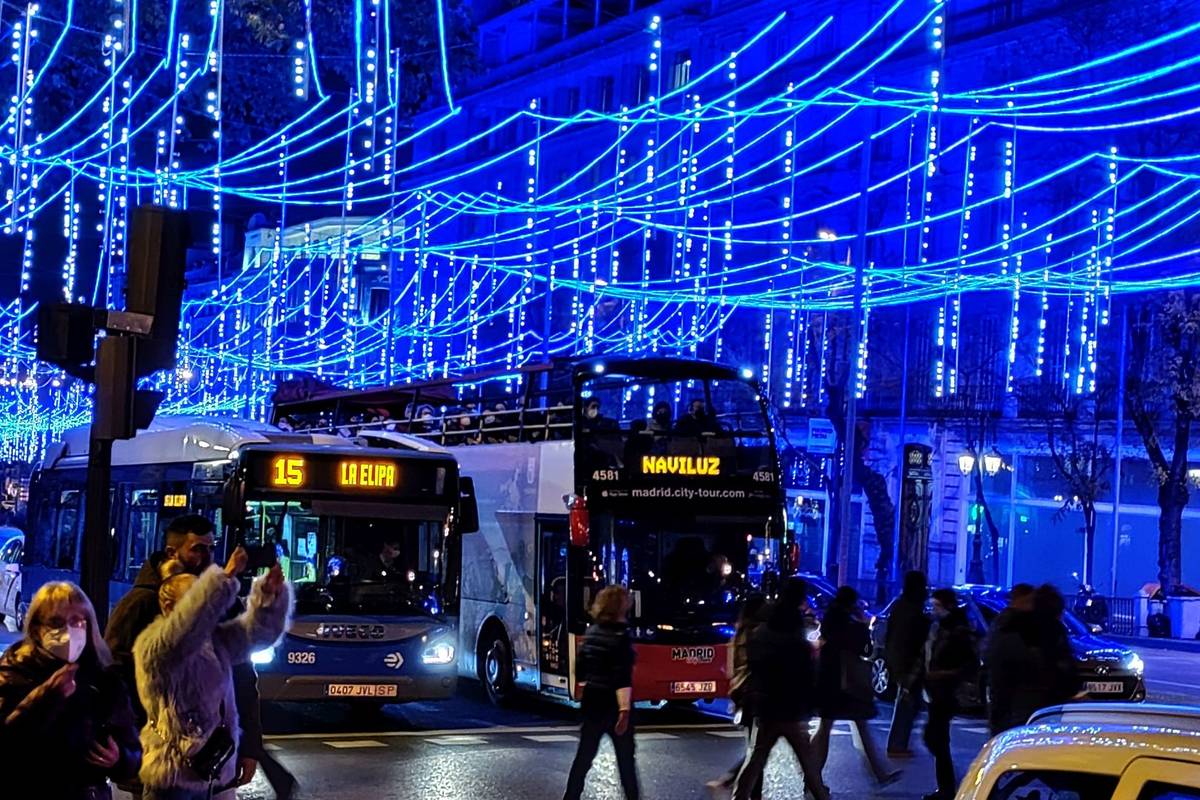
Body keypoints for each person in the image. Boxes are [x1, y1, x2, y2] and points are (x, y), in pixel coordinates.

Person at [104, 514, 276, 798]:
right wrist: (131, 743)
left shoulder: (221, 601)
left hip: (215, 755)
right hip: (164, 756)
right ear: (173, 552)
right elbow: (115, 675)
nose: (206, 556)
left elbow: (242, 675)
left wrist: (249, 746)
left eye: (210, 547)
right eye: (197, 548)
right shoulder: (142, 603)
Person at [136, 547, 291, 800]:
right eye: (194, 598)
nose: (203, 605)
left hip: (217, 771)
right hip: (173, 779)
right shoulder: (154, 646)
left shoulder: (215, 640)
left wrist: (268, 598)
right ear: (167, 606)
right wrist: (225, 577)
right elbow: (184, 630)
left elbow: (256, 636)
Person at [0, 581, 142, 799]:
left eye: (77, 621)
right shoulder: (15, 670)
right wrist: (47, 697)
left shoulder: (104, 678)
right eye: (56, 622)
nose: (68, 631)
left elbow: (132, 749)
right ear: (37, 627)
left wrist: (119, 758)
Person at [731, 578, 829, 800]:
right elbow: (805, 669)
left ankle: (739, 796)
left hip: (767, 701)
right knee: (806, 761)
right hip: (790, 704)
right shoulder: (794, 628)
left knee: (757, 756)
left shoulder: (765, 625)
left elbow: (755, 660)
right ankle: (821, 796)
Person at [814, 586, 901, 787]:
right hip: (848, 682)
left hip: (829, 679)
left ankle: (813, 776)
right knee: (859, 725)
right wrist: (862, 622)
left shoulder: (829, 619)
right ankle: (878, 774)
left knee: (826, 728)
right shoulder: (851, 624)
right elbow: (866, 648)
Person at [563, 585, 640, 800]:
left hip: (592, 700)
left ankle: (570, 797)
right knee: (626, 762)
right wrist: (624, 710)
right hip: (614, 704)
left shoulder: (592, 632)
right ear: (621, 607)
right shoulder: (621, 636)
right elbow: (622, 676)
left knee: (584, 756)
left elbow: (580, 669)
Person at [706, 594, 767, 800]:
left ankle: (743, 787)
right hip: (756, 693)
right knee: (758, 749)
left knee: (756, 747)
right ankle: (733, 783)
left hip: (743, 694)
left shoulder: (739, 633)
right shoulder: (757, 634)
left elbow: (732, 669)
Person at [921, 588, 976, 800]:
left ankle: (948, 788)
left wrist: (945, 674)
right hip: (936, 691)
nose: (934, 610)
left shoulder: (957, 630)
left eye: (937, 606)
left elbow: (968, 664)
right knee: (936, 740)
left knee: (936, 739)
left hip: (946, 691)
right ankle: (946, 787)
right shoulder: (939, 627)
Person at [885, 570, 931, 757]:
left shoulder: (900, 606)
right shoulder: (914, 610)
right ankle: (897, 744)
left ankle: (898, 743)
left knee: (907, 702)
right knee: (907, 703)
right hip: (909, 663)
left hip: (899, 660)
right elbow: (914, 638)